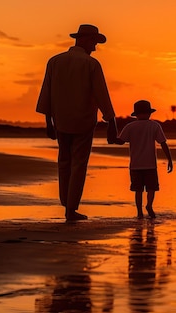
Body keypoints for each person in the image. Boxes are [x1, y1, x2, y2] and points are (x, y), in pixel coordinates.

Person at [36, 24, 118, 221]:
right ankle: (70, 209)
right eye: (93, 42)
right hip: (83, 122)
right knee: (78, 164)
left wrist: (49, 123)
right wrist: (111, 121)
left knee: (64, 162)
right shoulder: (91, 64)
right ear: (84, 40)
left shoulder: (54, 61)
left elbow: (46, 93)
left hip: (60, 121)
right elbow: (101, 94)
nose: (95, 47)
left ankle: (66, 203)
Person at [114, 100, 173, 218]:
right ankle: (149, 205)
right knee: (152, 188)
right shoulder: (154, 125)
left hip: (135, 165)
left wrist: (112, 136)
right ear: (149, 113)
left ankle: (139, 212)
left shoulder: (130, 126)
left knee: (138, 190)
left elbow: (120, 141)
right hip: (150, 165)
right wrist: (170, 159)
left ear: (136, 114)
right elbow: (163, 143)